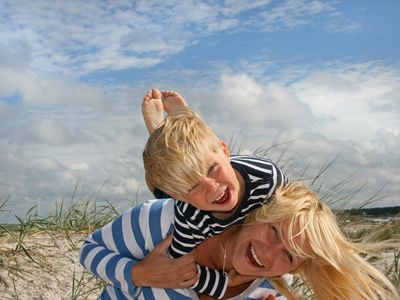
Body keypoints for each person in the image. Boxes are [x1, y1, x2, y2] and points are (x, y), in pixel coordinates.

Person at [79, 182, 400, 300]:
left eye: (288, 256)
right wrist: (140, 275)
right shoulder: (164, 220)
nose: (269, 253)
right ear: (258, 215)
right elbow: (89, 251)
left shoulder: (269, 290)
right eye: (274, 232)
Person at [140, 89, 289, 298]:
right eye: (194, 187)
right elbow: (181, 269)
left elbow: (298, 207)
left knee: (194, 159)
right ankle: (157, 130)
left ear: (226, 151)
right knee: (157, 183)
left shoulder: (266, 178)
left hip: (224, 165)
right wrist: (227, 281)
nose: (212, 188)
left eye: (212, 169)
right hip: (185, 194)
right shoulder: (189, 218)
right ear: (181, 198)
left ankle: (184, 121)